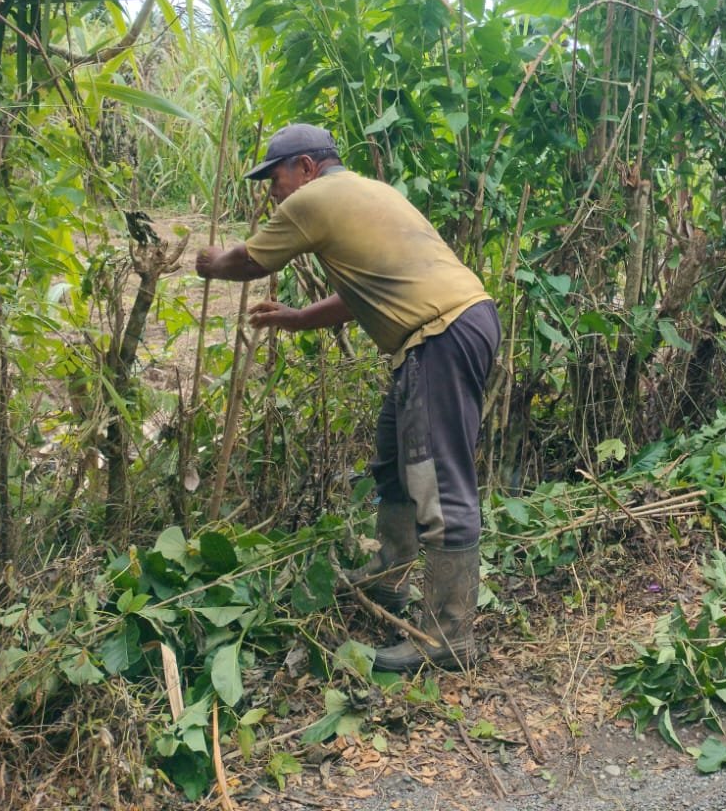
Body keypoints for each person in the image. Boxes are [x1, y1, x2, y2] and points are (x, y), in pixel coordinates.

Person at [195, 123, 499, 672]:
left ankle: (448, 636)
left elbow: (250, 261)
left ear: (307, 167)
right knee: (396, 461)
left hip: (439, 336)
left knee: (437, 480)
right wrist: (298, 318)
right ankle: (390, 577)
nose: (273, 193)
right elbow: (365, 291)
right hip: (453, 325)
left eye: (275, 178)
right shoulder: (368, 192)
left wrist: (211, 263)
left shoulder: (315, 198)